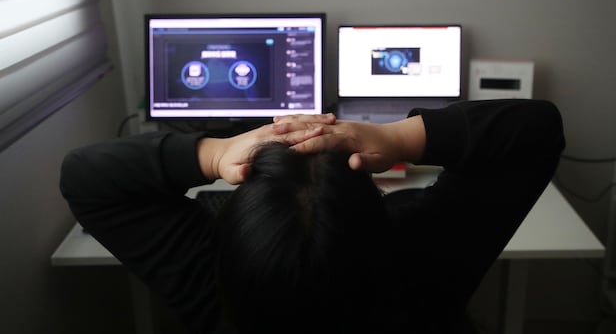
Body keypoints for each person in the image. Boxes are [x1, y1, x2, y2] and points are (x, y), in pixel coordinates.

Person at [60, 99, 565, 334]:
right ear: (375, 206)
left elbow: (86, 175)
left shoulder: (209, 282)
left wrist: (215, 154)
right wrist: (395, 138)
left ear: (238, 225)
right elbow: (535, 127)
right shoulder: (420, 264)